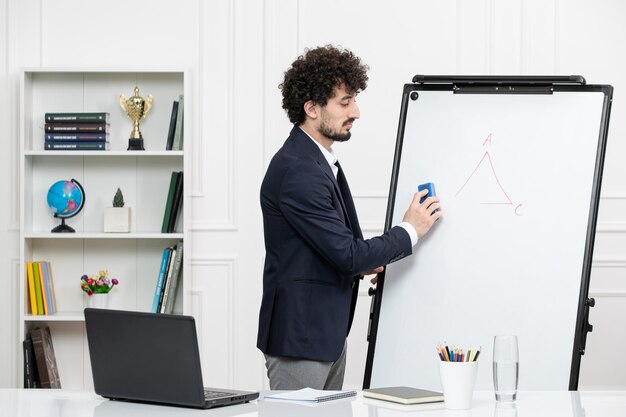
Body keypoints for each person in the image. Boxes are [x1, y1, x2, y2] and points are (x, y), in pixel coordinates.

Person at [257, 45, 442, 390]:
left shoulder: (316, 162)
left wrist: (363, 262)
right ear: (311, 108)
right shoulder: (299, 170)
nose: (356, 111)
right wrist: (409, 230)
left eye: (354, 100)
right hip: (302, 340)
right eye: (345, 102)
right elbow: (348, 254)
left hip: (322, 335)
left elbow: (335, 249)